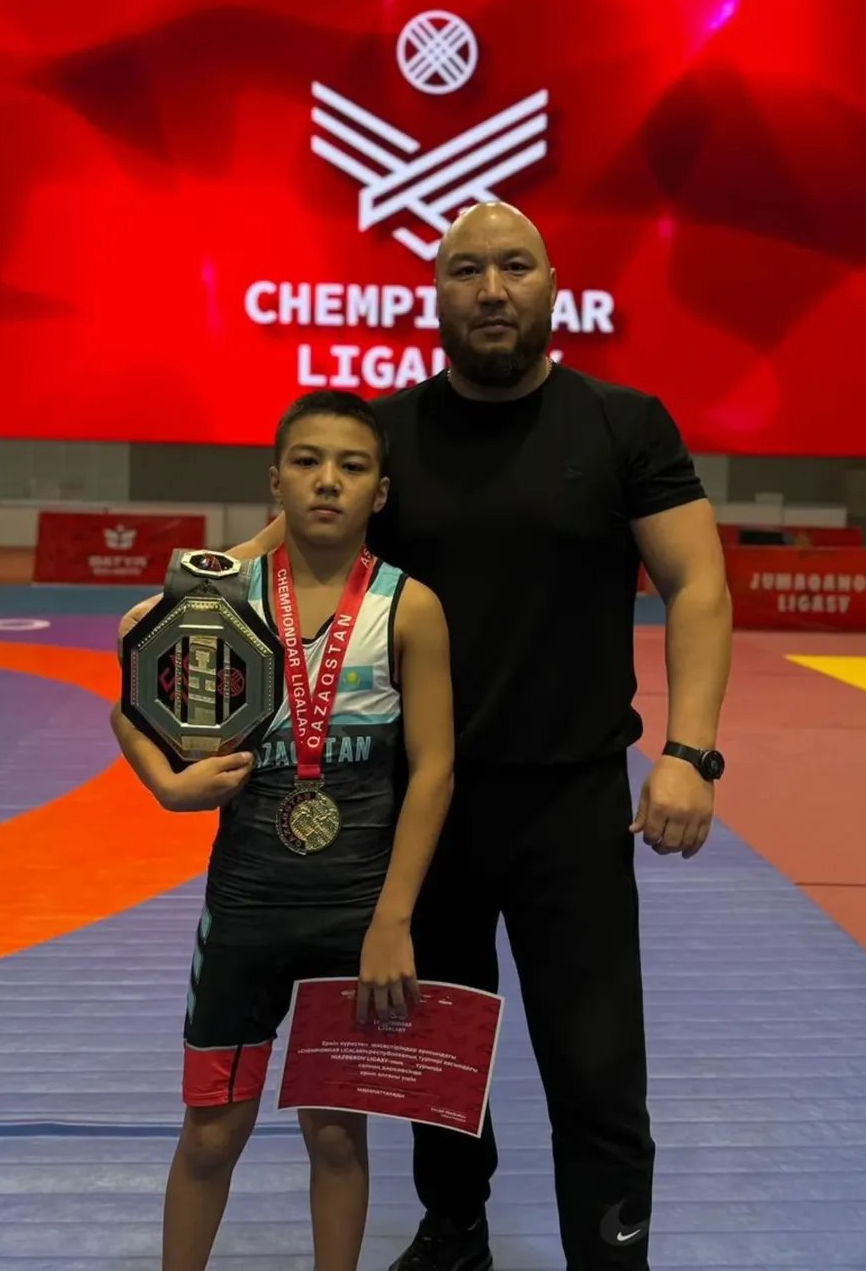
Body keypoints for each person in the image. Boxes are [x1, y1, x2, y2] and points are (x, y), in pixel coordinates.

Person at [119, 201, 733, 1271]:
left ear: (553, 285)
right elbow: (271, 552)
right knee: (432, 1047)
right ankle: (455, 1231)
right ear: (436, 294)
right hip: (416, 806)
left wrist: (689, 754)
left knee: (595, 1062)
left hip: (570, 801)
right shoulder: (389, 436)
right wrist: (174, 608)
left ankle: (610, 1256)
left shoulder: (623, 425)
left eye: (514, 267)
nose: (491, 290)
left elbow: (698, 584)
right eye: (465, 270)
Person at [111, 390, 455, 1271]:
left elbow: (435, 771)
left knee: (337, 1137)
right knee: (210, 1135)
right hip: (245, 913)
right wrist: (167, 788)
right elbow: (131, 700)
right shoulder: (221, 602)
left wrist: (393, 921)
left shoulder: (409, 608)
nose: (327, 481)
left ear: (381, 491)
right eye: (306, 462)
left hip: (356, 919)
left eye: (352, 466)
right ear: (276, 481)